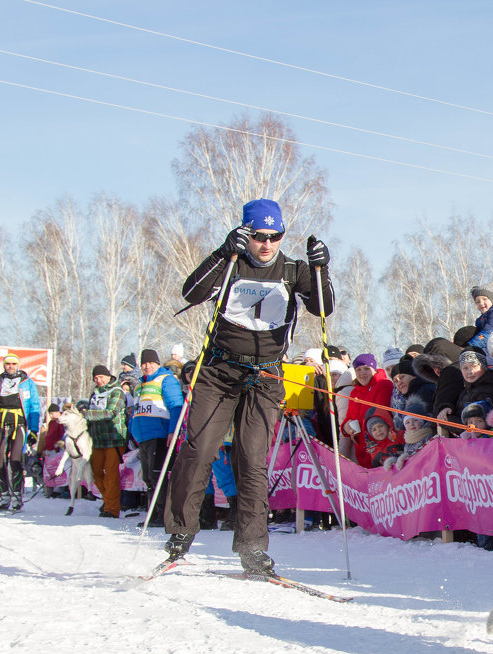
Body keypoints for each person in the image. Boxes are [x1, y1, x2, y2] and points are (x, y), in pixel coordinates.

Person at [163, 198, 334, 577]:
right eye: (259, 236)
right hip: (219, 373)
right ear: (246, 233)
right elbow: (191, 293)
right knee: (198, 452)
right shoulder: (231, 265)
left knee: (252, 461)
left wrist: (322, 270)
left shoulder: (293, 270)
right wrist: (221, 254)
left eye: (275, 236)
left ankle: (253, 549)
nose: (267, 244)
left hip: (266, 376)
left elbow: (323, 309)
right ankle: (180, 535)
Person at [0, 352, 42, 511]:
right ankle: (4, 494)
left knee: (15, 459)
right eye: (8, 364)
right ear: (4, 366)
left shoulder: (27, 382)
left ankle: (17, 495)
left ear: (17, 365)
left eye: (13, 364)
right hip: (0, 424)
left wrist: (33, 430)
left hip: (18, 424)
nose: (11, 366)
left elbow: (34, 406)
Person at [131, 349, 184, 520]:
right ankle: (153, 513)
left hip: (160, 435)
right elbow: (135, 411)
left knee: (158, 475)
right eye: (144, 363)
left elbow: (176, 406)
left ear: (158, 363)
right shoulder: (140, 385)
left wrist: (172, 431)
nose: (147, 367)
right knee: (148, 478)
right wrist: (134, 431)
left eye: (151, 363)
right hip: (143, 436)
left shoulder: (166, 380)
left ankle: (163, 514)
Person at [86, 364, 129, 519]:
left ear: (108, 376)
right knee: (96, 473)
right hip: (96, 440)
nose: (99, 380)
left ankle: (112, 509)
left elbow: (111, 412)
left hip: (114, 439)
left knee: (111, 475)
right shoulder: (95, 393)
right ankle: (107, 500)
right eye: (96, 378)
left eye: (101, 377)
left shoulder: (116, 392)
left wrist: (89, 415)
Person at [341, 353, 393, 467]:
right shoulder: (354, 392)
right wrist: (347, 427)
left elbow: (383, 417)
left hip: (381, 450)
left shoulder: (383, 385)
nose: (362, 373)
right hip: (362, 451)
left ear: (374, 369)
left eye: (366, 368)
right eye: (358, 370)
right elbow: (348, 418)